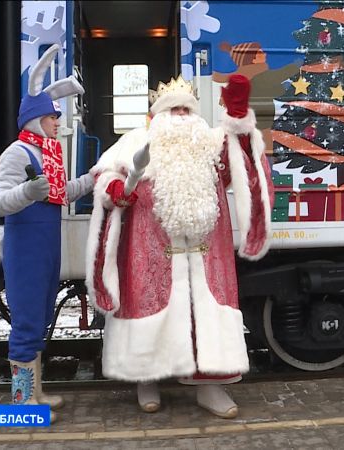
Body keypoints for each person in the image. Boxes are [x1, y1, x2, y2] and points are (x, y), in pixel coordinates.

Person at [86, 74, 273, 419]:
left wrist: (239, 118)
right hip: (150, 252)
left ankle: (208, 386)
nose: (182, 117)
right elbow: (105, 175)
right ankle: (147, 381)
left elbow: (244, 165)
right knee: (147, 311)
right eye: (174, 110)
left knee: (204, 317)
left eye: (187, 109)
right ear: (158, 116)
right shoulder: (136, 142)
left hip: (205, 256)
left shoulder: (210, 144)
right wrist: (115, 191)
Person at [0, 44, 92, 424]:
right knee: (28, 320)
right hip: (27, 250)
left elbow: (60, 193)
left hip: (46, 249)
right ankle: (20, 400)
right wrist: (27, 192)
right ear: (35, 119)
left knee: (40, 317)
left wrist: (90, 180)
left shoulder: (46, 155)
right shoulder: (18, 153)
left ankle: (37, 392)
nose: (58, 124)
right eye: (53, 119)